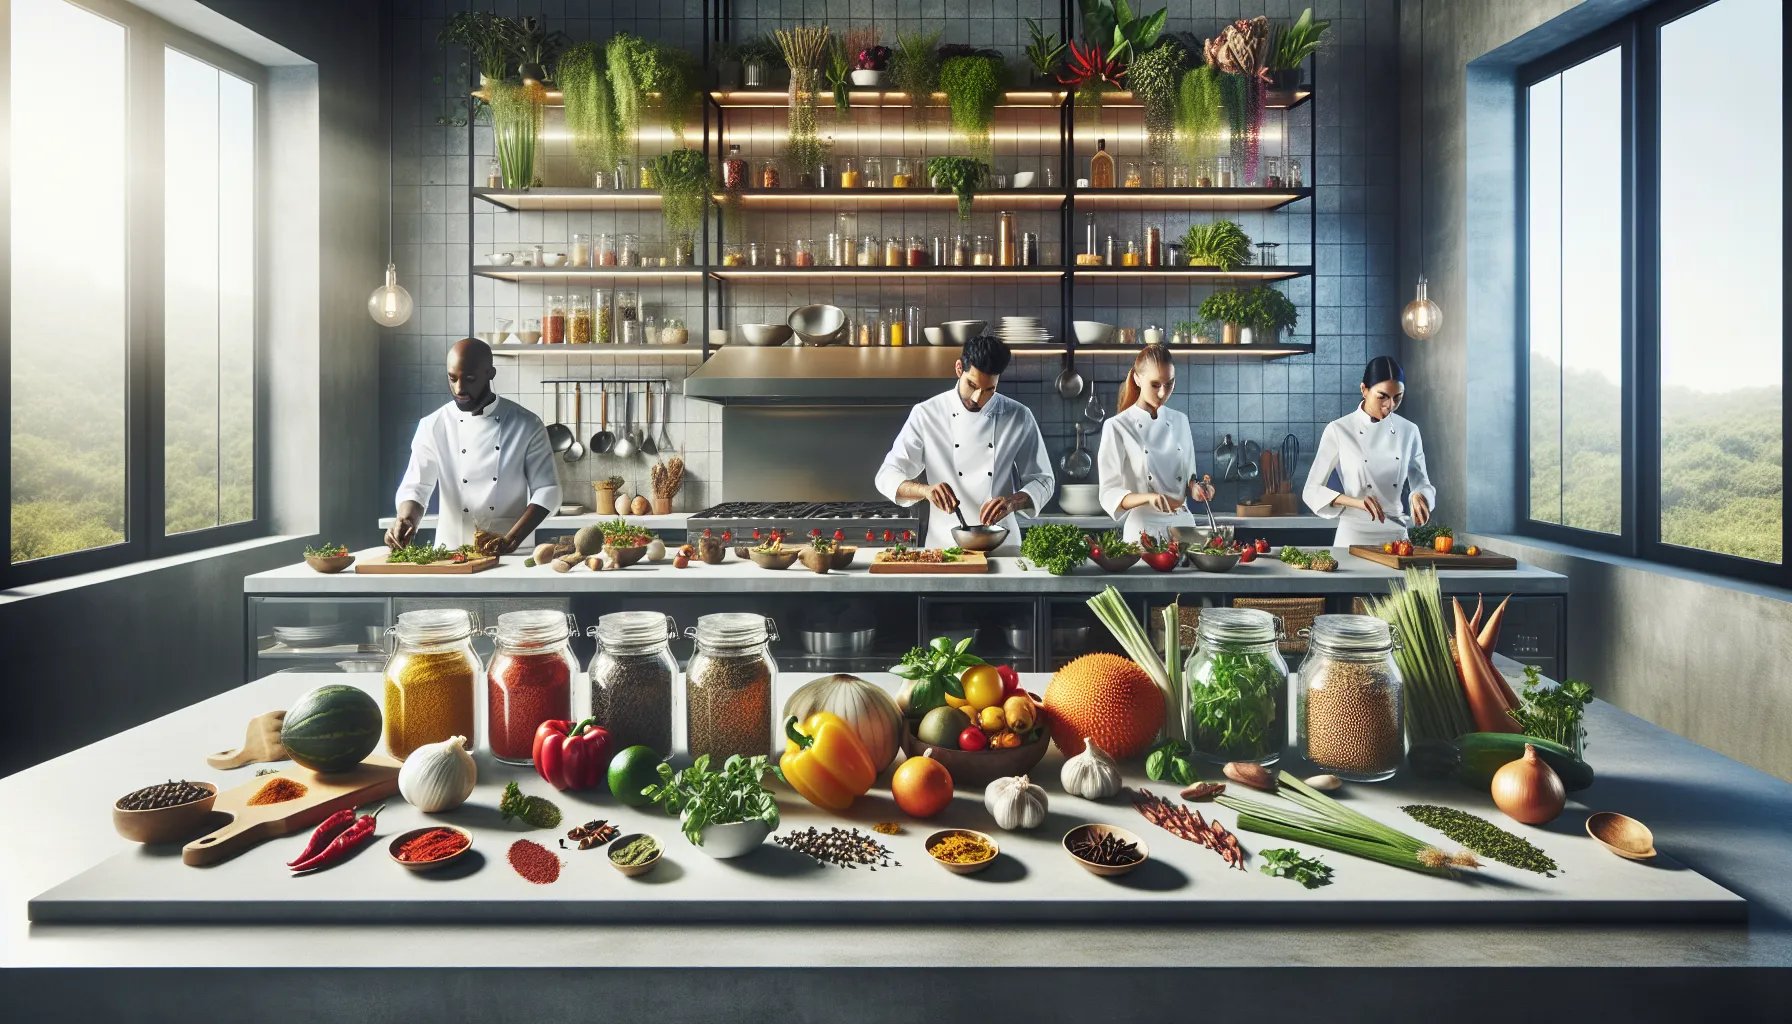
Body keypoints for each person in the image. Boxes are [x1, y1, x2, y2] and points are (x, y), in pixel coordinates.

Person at [875, 336, 1054, 556]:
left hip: (1002, 546)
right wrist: (925, 491)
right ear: (959, 368)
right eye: (972, 385)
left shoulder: (1018, 415)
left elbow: (1044, 480)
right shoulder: (927, 414)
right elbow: (886, 476)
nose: (979, 398)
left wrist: (1012, 503)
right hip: (945, 547)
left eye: (990, 390)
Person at [385, 337, 561, 554]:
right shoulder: (433, 425)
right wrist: (406, 519)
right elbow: (417, 487)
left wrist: (512, 539)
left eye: (469, 378)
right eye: (452, 378)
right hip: (450, 553)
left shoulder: (526, 424)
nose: (459, 388)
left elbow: (547, 489)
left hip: (511, 554)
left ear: (490, 373)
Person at [1303, 355, 1435, 547]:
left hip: (1396, 537)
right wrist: (1356, 502)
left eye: (1397, 397)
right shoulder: (1339, 429)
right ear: (1364, 390)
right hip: (1353, 536)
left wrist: (1419, 495)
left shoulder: (1409, 430)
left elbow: (1422, 483)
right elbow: (1311, 491)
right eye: (1382, 396)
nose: (1390, 405)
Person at [1096, 345, 1216, 542]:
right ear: (1137, 378)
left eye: (1169, 384)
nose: (1163, 393)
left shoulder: (1180, 420)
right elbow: (1109, 493)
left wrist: (1198, 489)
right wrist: (1148, 497)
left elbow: (1189, 478)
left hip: (1184, 528)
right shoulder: (1117, 426)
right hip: (1144, 531)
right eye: (1155, 385)